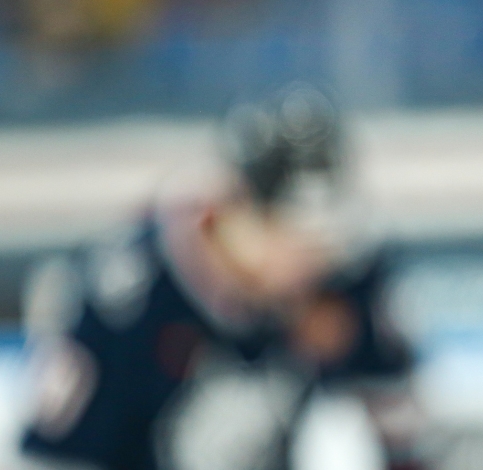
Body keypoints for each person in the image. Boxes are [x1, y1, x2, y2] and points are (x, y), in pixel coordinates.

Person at [20, 85, 417, 470]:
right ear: (234, 211)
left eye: (328, 239)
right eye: (296, 234)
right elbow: (57, 457)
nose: (315, 261)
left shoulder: (341, 278)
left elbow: (404, 427)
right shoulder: (126, 298)